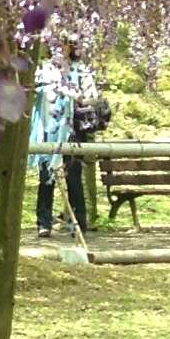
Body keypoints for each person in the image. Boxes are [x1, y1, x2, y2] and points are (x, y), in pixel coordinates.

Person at [60, 45, 110, 232]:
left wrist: (76, 96)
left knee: (74, 175)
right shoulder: (50, 67)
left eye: (64, 44)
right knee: (46, 176)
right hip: (52, 125)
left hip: (75, 128)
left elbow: (91, 96)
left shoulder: (80, 69)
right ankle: (48, 221)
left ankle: (80, 220)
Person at [27, 61, 80, 238]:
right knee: (46, 179)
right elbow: (33, 90)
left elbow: (86, 95)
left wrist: (71, 93)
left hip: (71, 131)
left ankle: (78, 223)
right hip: (46, 131)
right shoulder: (43, 69)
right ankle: (44, 222)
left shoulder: (77, 68)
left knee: (73, 180)